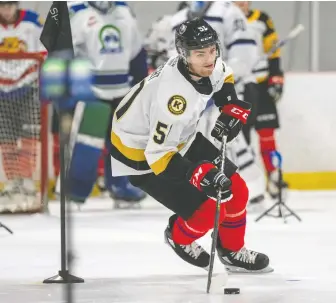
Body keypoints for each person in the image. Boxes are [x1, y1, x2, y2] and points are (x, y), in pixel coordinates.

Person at [110, 18, 272, 273]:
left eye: (212, 50)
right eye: (200, 54)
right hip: (140, 155)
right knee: (209, 208)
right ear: (184, 55)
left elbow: (223, 74)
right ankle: (178, 236)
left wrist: (228, 104)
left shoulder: (207, 64)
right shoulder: (174, 100)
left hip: (178, 139)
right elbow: (158, 156)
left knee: (237, 190)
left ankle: (231, 251)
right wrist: (197, 175)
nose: (210, 58)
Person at [145, 1, 266, 206]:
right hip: (192, 96)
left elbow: (244, 55)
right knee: (194, 142)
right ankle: (206, 192)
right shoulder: (177, 20)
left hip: (228, 87)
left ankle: (250, 190)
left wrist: (217, 80)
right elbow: (173, 59)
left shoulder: (228, 11)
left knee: (230, 140)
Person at [63, 1, 148, 207]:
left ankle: (122, 187)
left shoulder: (124, 11)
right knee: (87, 143)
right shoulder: (77, 12)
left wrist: (141, 84)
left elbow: (136, 52)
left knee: (123, 143)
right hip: (91, 92)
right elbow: (64, 52)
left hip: (122, 90)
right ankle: (76, 192)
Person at [234, 1, 287, 197]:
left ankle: (273, 178)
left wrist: (276, 78)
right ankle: (246, 184)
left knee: (267, 133)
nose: (241, 4)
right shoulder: (226, 20)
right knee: (242, 139)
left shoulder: (262, 20)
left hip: (262, 85)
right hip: (240, 87)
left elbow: (274, 51)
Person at [0, 1, 46, 204]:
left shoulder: (32, 21)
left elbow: (45, 50)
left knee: (29, 136)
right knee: (6, 138)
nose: (6, 10)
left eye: (10, 5)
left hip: (28, 87)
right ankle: (12, 180)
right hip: (2, 91)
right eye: (2, 6)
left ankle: (27, 178)